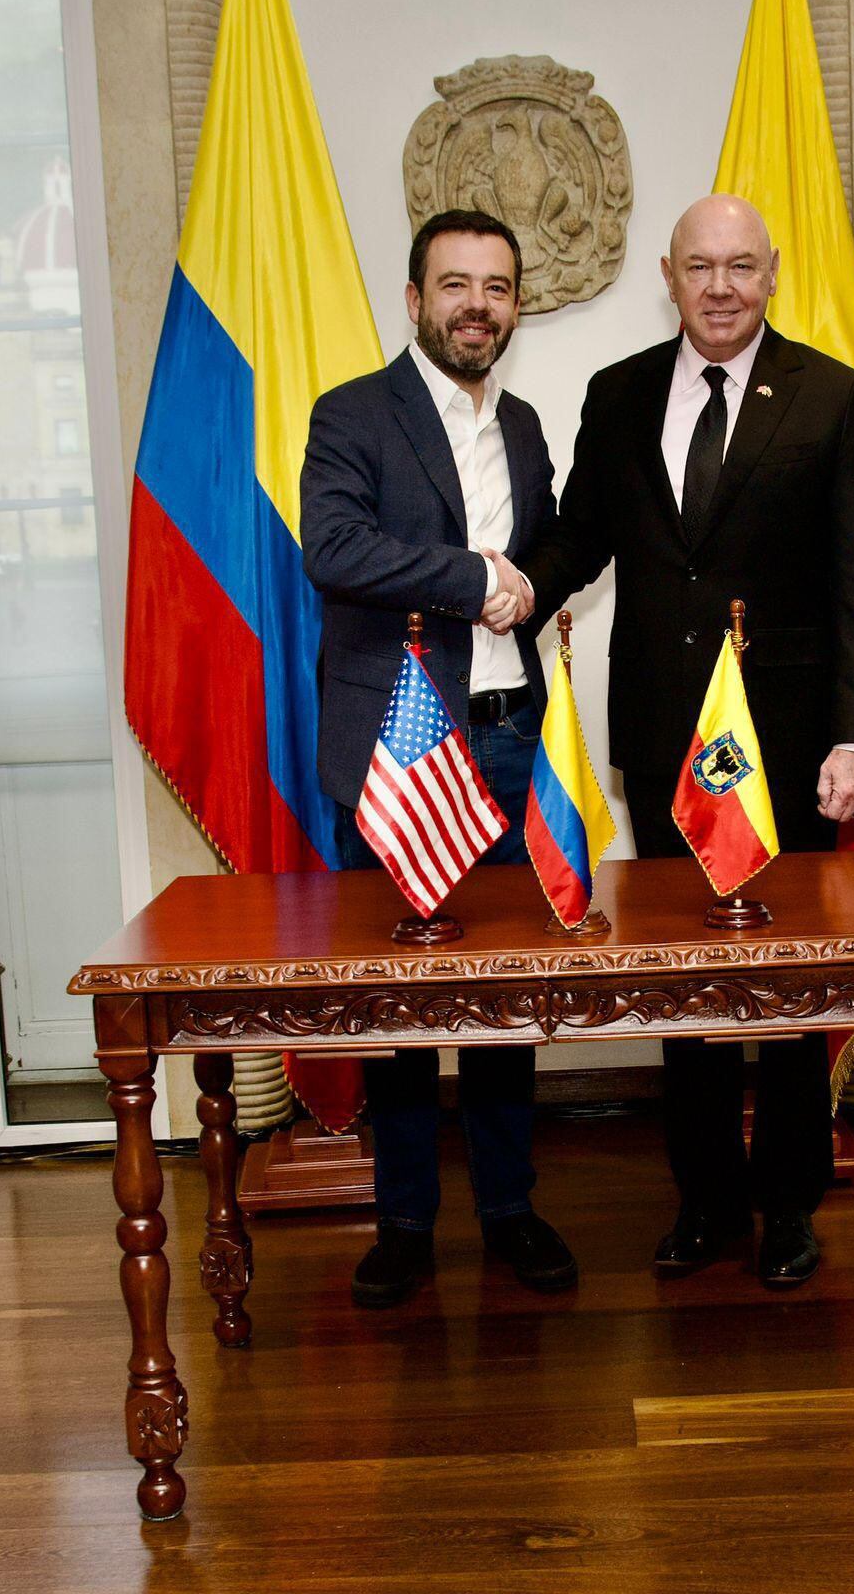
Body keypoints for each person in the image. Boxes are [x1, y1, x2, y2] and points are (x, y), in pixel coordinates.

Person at [519, 195, 854, 1287]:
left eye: (740, 266)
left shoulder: (831, 399)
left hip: (784, 746)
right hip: (659, 738)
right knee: (682, 983)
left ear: (770, 275)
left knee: (776, 985)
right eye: (700, 267)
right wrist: (514, 586)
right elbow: (584, 533)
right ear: (669, 275)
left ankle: (786, 1203)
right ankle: (701, 1204)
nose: (720, 286)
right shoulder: (619, 392)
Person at [300, 209, 575, 1308]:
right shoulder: (353, 414)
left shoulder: (524, 423)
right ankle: (405, 1220)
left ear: (514, 305)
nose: (477, 305)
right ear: (413, 301)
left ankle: (508, 1207)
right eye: (455, 284)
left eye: (496, 287)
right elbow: (334, 547)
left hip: (508, 741)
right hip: (401, 752)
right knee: (401, 1002)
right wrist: (475, 579)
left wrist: (532, 583)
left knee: (507, 997)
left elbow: (546, 550)